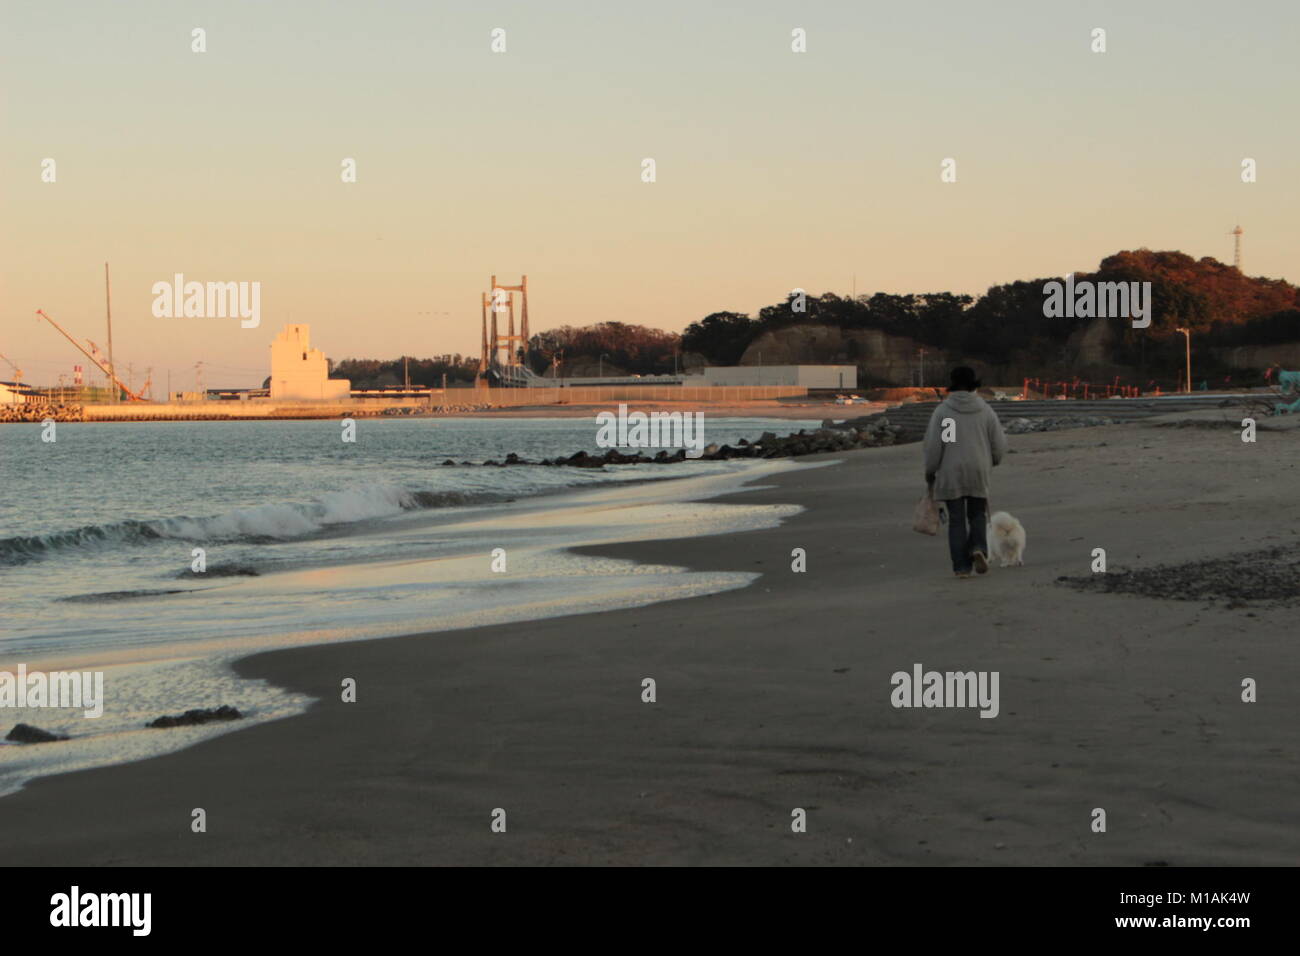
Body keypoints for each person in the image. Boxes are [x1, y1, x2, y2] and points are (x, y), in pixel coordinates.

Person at [922, 366, 1008, 578]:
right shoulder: (985, 410)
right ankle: (978, 546)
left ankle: (961, 567)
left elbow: (935, 446)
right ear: (973, 385)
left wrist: (930, 471)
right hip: (978, 469)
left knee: (957, 520)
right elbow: (998, 443)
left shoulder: (944, 412)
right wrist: (993, 461)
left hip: (951, 471)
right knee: (977, 514)